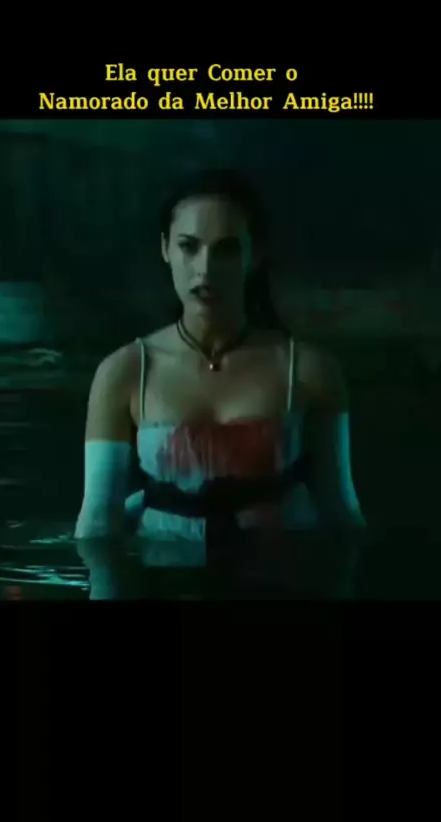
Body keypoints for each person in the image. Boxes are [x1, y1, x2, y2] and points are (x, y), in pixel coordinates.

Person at [75, 169, 366, 599]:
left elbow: (340, 513)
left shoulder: (309, 370)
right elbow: (97, 524)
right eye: (189, 247)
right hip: (165, 580)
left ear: (254, 254)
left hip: (283, 581)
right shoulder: (123, 373)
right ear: (165, 249)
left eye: (226, 249)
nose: (205, 269)